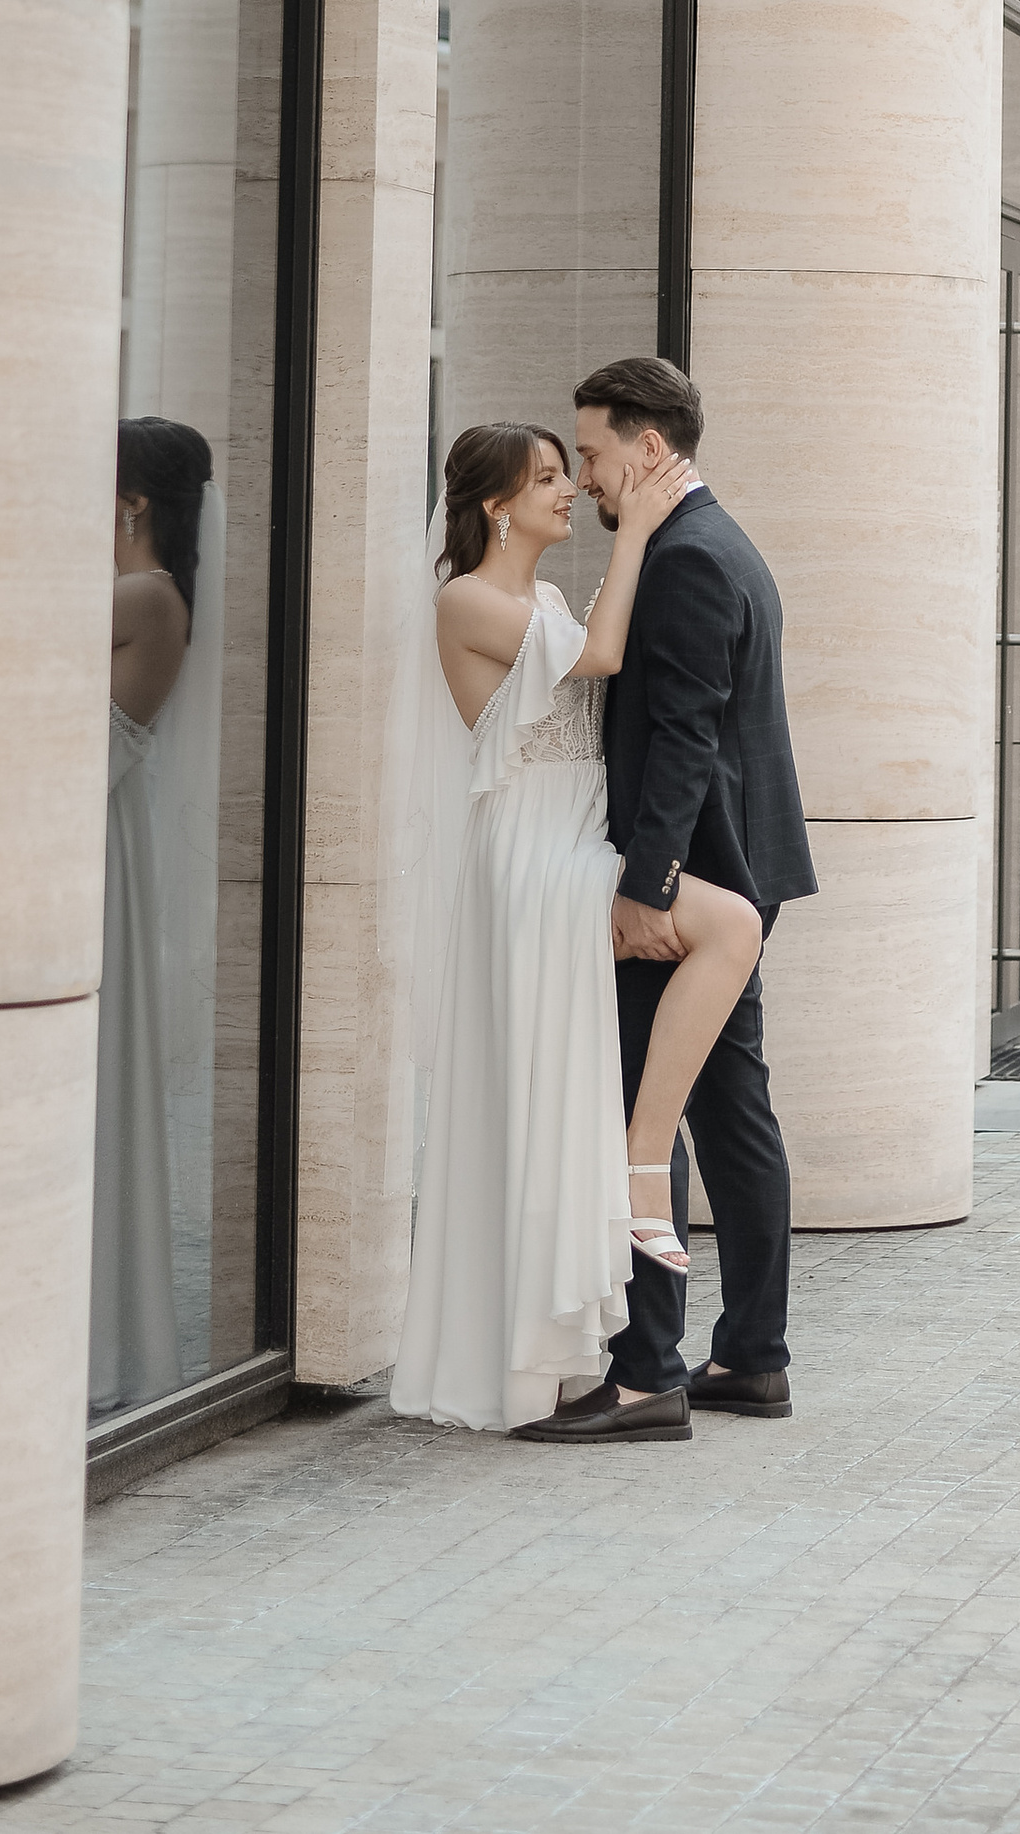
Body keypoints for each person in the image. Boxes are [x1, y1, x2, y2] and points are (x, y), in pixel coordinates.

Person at [387, 419, 764, 1435]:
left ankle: (639, 1150)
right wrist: (637, 524)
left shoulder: (546, 594)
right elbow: (601, 658)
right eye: (545, 479)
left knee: (719, 940)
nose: (566, 492)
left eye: (569, 471)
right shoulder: (463, 600)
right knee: (729, 926)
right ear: (492, 505)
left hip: (576, 839)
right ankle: (646, 1153)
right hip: (532, 854)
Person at [507, 354, 818, 1448]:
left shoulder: (686, 558)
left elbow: (684, 734)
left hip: (693, 883)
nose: (584, 476)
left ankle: (646, 1377)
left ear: (648, 447)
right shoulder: (714, 539)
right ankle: (752, 1355)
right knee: (731, 1114)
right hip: (738, 870)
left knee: (643, 1115)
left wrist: (646, 889)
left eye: (591, 452)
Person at [91, 415, 205, 1415]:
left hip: (94, 838)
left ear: (132, 499)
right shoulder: (160, 598)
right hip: (104, 834)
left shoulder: (138, 594)